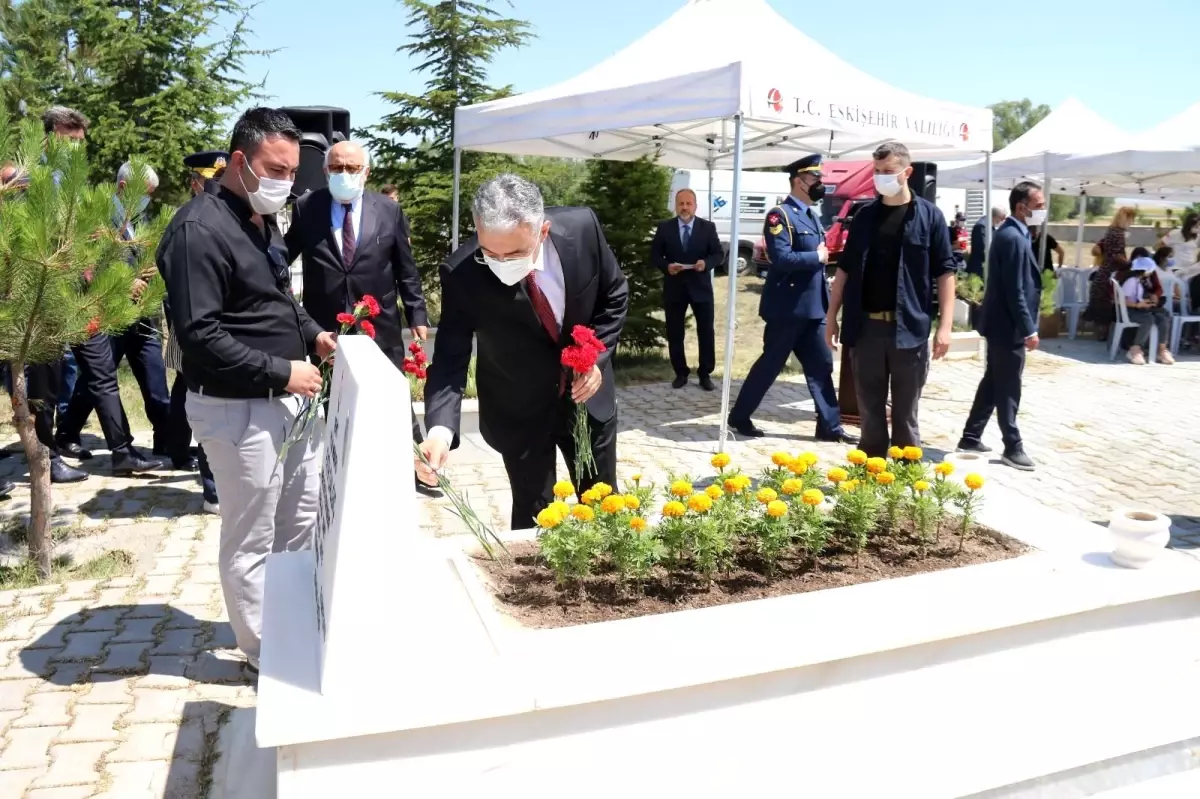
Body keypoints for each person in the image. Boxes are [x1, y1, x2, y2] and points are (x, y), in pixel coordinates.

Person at [158, 107, 337, 669]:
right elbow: (200, 335)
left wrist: (312, 337)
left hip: (288, 403)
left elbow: (277, 300)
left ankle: (289, 623)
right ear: (238, 161)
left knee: (300, 520)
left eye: (291, 171)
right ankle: (267, 655)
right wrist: (283, 371)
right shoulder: (198, 230)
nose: (284, 181)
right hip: (237, 411)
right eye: (274, 168)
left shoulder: (263, 222)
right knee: (252, 535)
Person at [417, 173, 629, 530]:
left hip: (587, 399)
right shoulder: (463, 272)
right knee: (537, 519)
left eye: (515, 252)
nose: (502, 263)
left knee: (605, 506)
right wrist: (439, 430)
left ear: (542, 231)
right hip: (520, 408)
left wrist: (595, 357)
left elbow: (615, 296)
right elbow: (451, 354)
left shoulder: (582, 230)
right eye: (490, 252)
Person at [283, 140, 429, 485]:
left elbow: (405, 268)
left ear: (366, 172)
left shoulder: (388, 210)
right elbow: (282, 257)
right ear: (325, 171)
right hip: (326, 326)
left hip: (379, 323)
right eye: (336, 168)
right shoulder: (308, 208)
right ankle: (341, 467)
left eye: (351, 168)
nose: (343, 174)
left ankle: (415, 457)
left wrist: (417, 313)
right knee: (333, 397)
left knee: (392, 393)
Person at [826, 142, 955, 458]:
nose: (881, 177)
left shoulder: (930, 217)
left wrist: (946, 326)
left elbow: (946, 272)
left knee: (905, 413)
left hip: (909, 330)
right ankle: (870, 472)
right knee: (869, 411)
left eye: (888, 172)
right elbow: (845, 268)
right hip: (866, 328)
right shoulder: (865, 216)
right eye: (877, 171)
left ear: (907, 172)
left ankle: (906, 476)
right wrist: (831, 317)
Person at [727, 154, 855, 443]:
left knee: (821, 366)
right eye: (815, 180)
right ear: (799, 181)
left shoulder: (811, 215)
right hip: (787, 308)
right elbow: (782, 258)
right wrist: (817, 257)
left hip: (813, 308)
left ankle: (829, 427)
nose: (820, 185)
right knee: (771, 365)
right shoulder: (779, 215)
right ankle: (739, 416)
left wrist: (824, 275)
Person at [55, 163, 172, 461]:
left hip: (142, 315)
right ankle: (68, 434)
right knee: (98, 381)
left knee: (154, 377)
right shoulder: (99, 216)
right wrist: (123, 282)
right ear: (123, 188)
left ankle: (166, 439)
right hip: (110, 314)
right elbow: (88, 264)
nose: (148, 200)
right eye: (144, 194)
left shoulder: (138, 218)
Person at [957, 181, 1045, 472]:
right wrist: (1029, 328)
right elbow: (1015, 290)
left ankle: (971, 437)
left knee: (994, 381)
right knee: (1008, 386)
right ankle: (1012, 445)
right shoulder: (1013, 238)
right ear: (1022, 207)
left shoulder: (1014, 234)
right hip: (1008, 327)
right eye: (1039, 206)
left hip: (1003, 325)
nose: (1043, 211)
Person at [163, 151, 227, 513]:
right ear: (195, 183)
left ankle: (181, 453)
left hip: (227, 328)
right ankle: (213, 489)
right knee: (197, 392)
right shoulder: (186, 220)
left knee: (193, 393)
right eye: (210, 179)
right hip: (195, 326)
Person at [649, 187, 723, 391]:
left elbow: (718, 254)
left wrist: (705, 264)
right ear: (675, 206)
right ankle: (680, 372)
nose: (684, 207)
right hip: (675, 288)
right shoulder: (665, 228)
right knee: (675, 332)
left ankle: (705, 373)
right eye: (681, 203)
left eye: (688, 203)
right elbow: (655, 256)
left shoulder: (707, 228)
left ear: (695, 206)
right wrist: (667, 267)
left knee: (706, 331)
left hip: (701, 288)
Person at [1084, 206, 1137, 336]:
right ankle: (1104, 334)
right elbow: (1116, 255)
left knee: (1101, 303)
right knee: (1105, 304)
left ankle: (1101, 333)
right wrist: (1130, 264)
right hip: (1109, 273)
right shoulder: (1117, 233)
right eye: (1131, 219)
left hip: (1104, 272)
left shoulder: (1111, 230)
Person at [1117, 256, 1174, 365]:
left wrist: (1146, 302)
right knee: (1148, 319)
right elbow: (1121, 301)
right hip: (1129, 311)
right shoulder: (1131, 281)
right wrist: (1137, 305)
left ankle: (1162, 349)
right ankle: (1135, 349)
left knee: (1163, 316)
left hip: (1137, 308)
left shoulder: (1139, 280)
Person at [967, 207, 1008, 277]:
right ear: (999, 217)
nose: (1002, 221)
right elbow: (983, 249)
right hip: (978, 269)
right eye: (1002, 219)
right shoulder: (981, 226)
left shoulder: (989, 225)